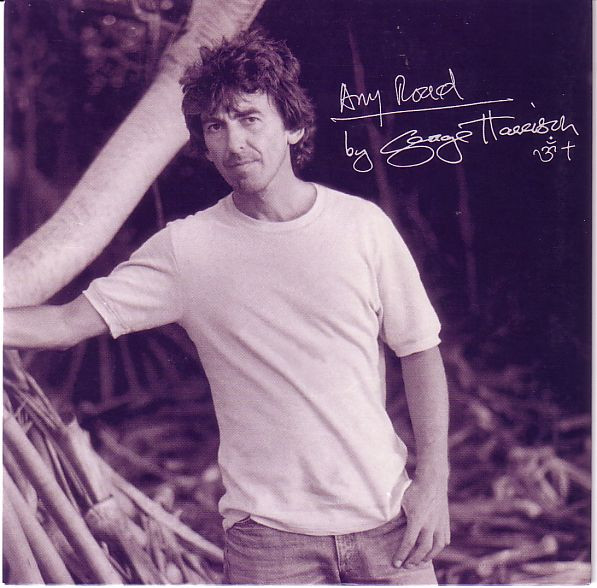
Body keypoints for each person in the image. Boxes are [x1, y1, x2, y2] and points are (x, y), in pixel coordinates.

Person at [5, 28, 450, 584]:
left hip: (388, 525)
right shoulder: (187, 249)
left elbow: (419, 350)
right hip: (269, 544)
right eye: (216, 125)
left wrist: (433, 483)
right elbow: (67, 323)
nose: (234, 142)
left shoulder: (362, 228)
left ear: (293, 125)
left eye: (248, 117)